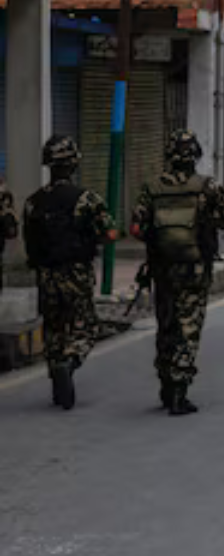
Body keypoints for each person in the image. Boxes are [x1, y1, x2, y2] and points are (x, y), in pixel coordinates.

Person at [131, 130, 224, 416]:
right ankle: (180, 388)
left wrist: (160, 241)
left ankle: (166, 382)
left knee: (166, 323)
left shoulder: (152, 187)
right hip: (194, 268)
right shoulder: (207, 187)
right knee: (187, 325)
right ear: (196, 156)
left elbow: (135, 228)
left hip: (162, 268)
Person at [21, 135, 115, 411]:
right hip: (76, 272)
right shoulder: (86, 199)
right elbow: (108, 232)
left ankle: (57, 382)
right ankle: (70, 360)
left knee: (53, 327)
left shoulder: (32, 202)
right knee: (85, 325)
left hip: (46, 274)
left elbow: (29, 242)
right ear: (73, 164)